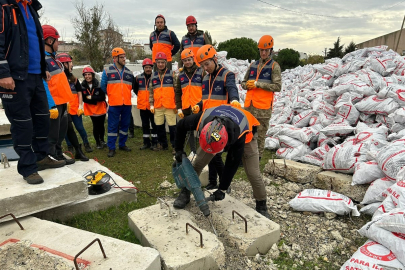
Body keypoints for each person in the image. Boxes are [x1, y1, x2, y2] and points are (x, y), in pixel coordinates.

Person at [0, 1, 64, 184]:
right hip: (14, 78)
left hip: (35, 75)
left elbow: (34, 42)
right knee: (23, 124)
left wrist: (42, 66)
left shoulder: (31, 8)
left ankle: (41, 156)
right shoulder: (5, 6)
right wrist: (2, 73)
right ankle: (28, 168)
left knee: (43, 119)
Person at [173, 105, 271, 219]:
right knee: (198, 163)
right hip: (214, 134)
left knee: (253, 173)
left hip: (247, 135)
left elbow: (231, 164)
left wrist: (223, 188)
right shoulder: (200, 119)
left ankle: (261, 205)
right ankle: (185, 192)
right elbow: (180, 126)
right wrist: (179, 150)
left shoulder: (238, 136)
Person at [192, 44, 241, 190]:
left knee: (215, 154)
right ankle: (213, 182)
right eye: (202, 65)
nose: (205, 68)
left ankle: (225, 184)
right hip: (208, 121)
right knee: (210, 152)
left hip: (221, 123)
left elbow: (232, 88)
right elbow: (206, 99)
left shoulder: (227, 75)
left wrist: (234, 99)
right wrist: (198, 105)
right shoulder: (205, 78)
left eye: (206, 64)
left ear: (214, 59)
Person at [241, 35, 282, 160]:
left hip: (263, 109)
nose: (263, 53)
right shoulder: (253, 65)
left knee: (260, 136)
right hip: (249, 107)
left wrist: (258, 84)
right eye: (261, 50)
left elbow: (277, 86)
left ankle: (257, 160)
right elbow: (243, 82)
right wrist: (246, 85)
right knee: (246, 133)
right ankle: (245, 158)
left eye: (266, 50)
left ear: (271, 50)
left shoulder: (274, 66)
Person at [42, 25, 75, 165]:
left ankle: (58, 154)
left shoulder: (54, 59)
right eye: (56, 40)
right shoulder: (42, 60)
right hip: (53, 104)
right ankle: (50, 157)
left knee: (61, 132)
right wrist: (50, 105)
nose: (58, 43)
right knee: (52, 134)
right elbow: (43, 84)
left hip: (62, 102)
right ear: (49, 41)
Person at [56, 53, 92, 155]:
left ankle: (86, 143)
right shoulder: (58, 79)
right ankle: (69, 146)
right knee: (66, 129)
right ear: (64, 64)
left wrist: (80, 106)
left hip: (75, 109)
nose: (72, 65)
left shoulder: (74, 79)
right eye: (70, 63)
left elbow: (80, 93)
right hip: (64, 110)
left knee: (80, 127)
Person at [101, 47, 134, 157]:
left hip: (127, 104)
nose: (124, 59)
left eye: (124, 57)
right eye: (122, 57)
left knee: (125, 125)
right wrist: (112, 95)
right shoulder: (107, 71)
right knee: (112, 126)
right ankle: (111, 147)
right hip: (114, 104)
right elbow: (103, 86)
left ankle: (122, 144)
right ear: (115, 58)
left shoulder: (129, 72)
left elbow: (131, 87)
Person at [174, 49, 205, 154]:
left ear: (193, 59)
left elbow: (206, 89)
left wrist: (201, 103)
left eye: (189, 59)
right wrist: (179, 108)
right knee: (189, 131)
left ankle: (203, 151)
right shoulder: (181, 75)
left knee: (202, 130)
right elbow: (178, 93)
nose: (187, 62)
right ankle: (193, 151)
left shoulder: (201, 71)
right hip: (186, 107)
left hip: (199, 107)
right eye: (185, 60)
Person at [148, 52, 176, 153]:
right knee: (159, 127)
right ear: (156, 63)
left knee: (173, 128)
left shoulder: (172, 74)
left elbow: (177, 90)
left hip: (170, 106)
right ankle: (163, 144)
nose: (160, 64)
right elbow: (151, 92)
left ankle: (174, 146)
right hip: (158, 106)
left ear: (166, 62)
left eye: (162, 62)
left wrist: (177, 104)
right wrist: (151, 104)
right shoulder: (153, 76)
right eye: (158, 62)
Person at [133, 58, 158, 150]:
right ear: (143, 68)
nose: (148, 69)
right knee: (145, 124)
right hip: (143, 106)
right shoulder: (138, 78)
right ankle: (146, 142)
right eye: (146, 67)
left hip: (153, 106)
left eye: (149, 67)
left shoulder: (155, 77)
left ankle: (155, 142)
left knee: (154, 124)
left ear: (152, 68)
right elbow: (136, 90)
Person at [82, 66, 107, 150]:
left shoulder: (98, 84)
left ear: (92, 75)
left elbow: (102, 97)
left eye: (89, 74)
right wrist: (94, 98)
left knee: (101, 125)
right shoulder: (82, 86)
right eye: (85, 75)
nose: (87, 76)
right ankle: (98, 142)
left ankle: (102, 140)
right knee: (95, 126)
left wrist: (91, 98)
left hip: (101, 109)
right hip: (91, 110)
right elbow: (84, 98)